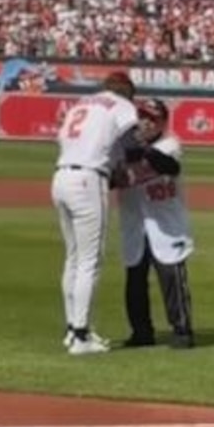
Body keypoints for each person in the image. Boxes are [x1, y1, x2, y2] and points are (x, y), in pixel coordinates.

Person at [51, 71, 139, 355]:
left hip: (61, 176)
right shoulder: (122, 105)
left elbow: (63, 138)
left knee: (74, 257)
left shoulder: (81, 103)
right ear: (126, 90)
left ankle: (71, 329)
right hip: (89, 179)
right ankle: (81, 335)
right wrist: (125, 165)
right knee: (91, 259)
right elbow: (130, 142)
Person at [113, 97, 196, 349]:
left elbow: (163, 165)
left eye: (152, 119)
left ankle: (182, 330)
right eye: (142, 117)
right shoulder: (121, 149)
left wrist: (136, 151)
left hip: (166, 224)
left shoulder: (170, 144)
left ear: (162, 123)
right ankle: (141, 332)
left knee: (172, 279)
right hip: (135, 224)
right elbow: (112, 180)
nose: (146, 123)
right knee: (135, 280)